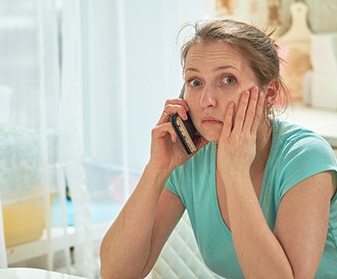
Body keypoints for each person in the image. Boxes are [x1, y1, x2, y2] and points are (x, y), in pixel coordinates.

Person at [100, 19, 337, 279]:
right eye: (195, 82)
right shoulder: (190, 158)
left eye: (227, 79)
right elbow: (116, 273)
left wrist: (235, 172)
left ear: (269, 94)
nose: (206, 101)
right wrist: (157, 169)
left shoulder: (305, 157)